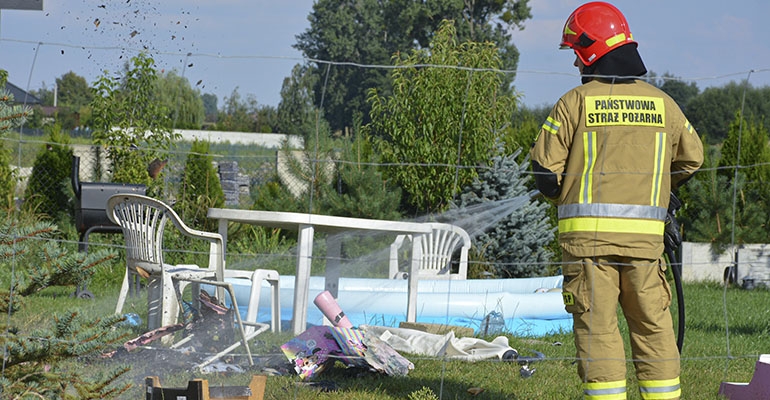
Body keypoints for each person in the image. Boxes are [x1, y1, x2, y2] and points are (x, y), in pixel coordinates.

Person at [529, 2, 704, 399]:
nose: (575, 64)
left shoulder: (575, 102)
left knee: (598, 329)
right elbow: (693, 158)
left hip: (588, 245)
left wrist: (564, 192)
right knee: (653, 327)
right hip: (645, 245)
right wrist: (659, 187)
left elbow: (544, 172)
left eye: (576, 53)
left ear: (590, 50)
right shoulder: (664, 104)